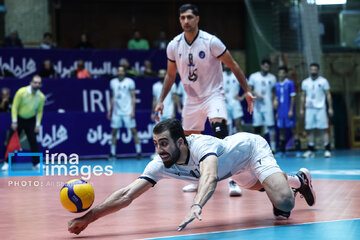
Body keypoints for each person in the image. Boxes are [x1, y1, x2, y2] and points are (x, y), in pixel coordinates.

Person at [68, 118, 316, 235]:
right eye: (155, 143)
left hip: (250, 150)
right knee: (264, 186)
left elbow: (208, 176)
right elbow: (127, 194)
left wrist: (196, 204)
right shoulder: (161, 163)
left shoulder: (201, 146)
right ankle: (300, 180)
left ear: (180, 141)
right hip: (233, 171)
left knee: (283, 203)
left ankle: (295, 182)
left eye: (164, 143)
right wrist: (89, 218)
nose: (159, 150)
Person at [154, 3, 255, 196]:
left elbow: (233, 66)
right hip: (191, 99)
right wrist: (161, 100)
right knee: (189, 141)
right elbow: (170, 75)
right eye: (182, 18)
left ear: (197, 18)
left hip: (213, 95)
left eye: (189, 17)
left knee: (220, 134)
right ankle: (198, 178)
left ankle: (233, 180)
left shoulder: (211, 42)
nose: (186, 21)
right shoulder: (174, 45)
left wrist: (247, 91)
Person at [1, 75, 45, 171]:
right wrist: (14, 121)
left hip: (31, 120)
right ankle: (7, 163)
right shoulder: (21, 92)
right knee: (11, 142)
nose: (37, 84)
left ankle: (36, 163)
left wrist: (37, 124)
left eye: (39, 83)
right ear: (31, 82)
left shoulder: (41, 97)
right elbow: (14, 107)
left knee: (33, 141)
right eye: (35, 82)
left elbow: (40, 111)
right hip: (19, 119)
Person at [107, 66, 142, 159]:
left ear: (124, 72)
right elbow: (112, 97)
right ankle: (112, 153)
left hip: (127, 111)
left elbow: (133, 97)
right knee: (114, 132)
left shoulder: (130, 82)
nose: (120, 73)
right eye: (119, 71)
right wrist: (109, 110)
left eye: (122, 71)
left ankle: (139, 152)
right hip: (116, 112)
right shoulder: (113, 82)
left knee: (133, 131)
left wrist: (133, 111)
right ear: (117, 72)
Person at [300, 63, 333, 158]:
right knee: (310, 129)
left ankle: (327, 149)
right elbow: (303, 96)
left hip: (320, 109)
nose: (313, 71)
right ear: (309, 70)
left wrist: (330, 107)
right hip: (309, 109)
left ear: (318, 70)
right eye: (312, 69)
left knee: (323, 129)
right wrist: (302, 108)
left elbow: (328, 94)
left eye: (315, 69)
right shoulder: (305, 82)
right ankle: (310, 150)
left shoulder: (323, 81)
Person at [248, 59, 276, 152]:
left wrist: (275, 100)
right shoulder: (254, 76)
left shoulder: (272, 78)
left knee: (271, 126)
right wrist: (256, 93)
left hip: (268, 105)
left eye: (268, 66)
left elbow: (274, 92)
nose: (266, 68)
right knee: (257, 127)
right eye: (265, 66)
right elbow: (249, 90)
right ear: (261, 66)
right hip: (257, 106)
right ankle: (258, 149)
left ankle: (273, 148)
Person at [274, 66, 301, 157]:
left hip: (288, 110)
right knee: (281, 130)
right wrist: (277, 112)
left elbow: (293, 97)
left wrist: (291, 110)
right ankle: (282, 151)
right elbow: (277, 99)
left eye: (283, 72)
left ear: (285, 74)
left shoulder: (290, 83)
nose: (281, 74)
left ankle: (298, 150)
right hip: (281, 111)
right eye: (279, 72)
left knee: (293, 129)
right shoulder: (277, 85)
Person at [223, 65, 245, 134]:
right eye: (225, 64)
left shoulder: (237, 74)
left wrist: (242, 97)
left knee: (238, 125)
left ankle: (243, 144)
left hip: (235, 103)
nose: (226, 65)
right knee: (226, 127)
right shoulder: (220, 75)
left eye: (228, 64)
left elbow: (248, 86)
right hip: (224, 103)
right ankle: (227, 144)